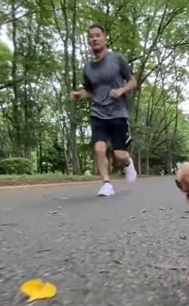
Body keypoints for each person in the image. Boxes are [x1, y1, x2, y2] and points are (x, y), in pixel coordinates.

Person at [70, 24, 138, 196]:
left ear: (105, 38)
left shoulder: (117, 59)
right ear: (88, 41)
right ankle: (106, 183)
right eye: (91, 36)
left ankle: (128, 162)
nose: (94, 39)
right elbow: (90, 90)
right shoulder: (88, 68)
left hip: (118, 112)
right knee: (99, 148)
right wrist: (80, 94)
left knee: (119, 154)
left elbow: (133, 81)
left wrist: (121, 91)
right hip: (98, 112)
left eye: (98, 35)